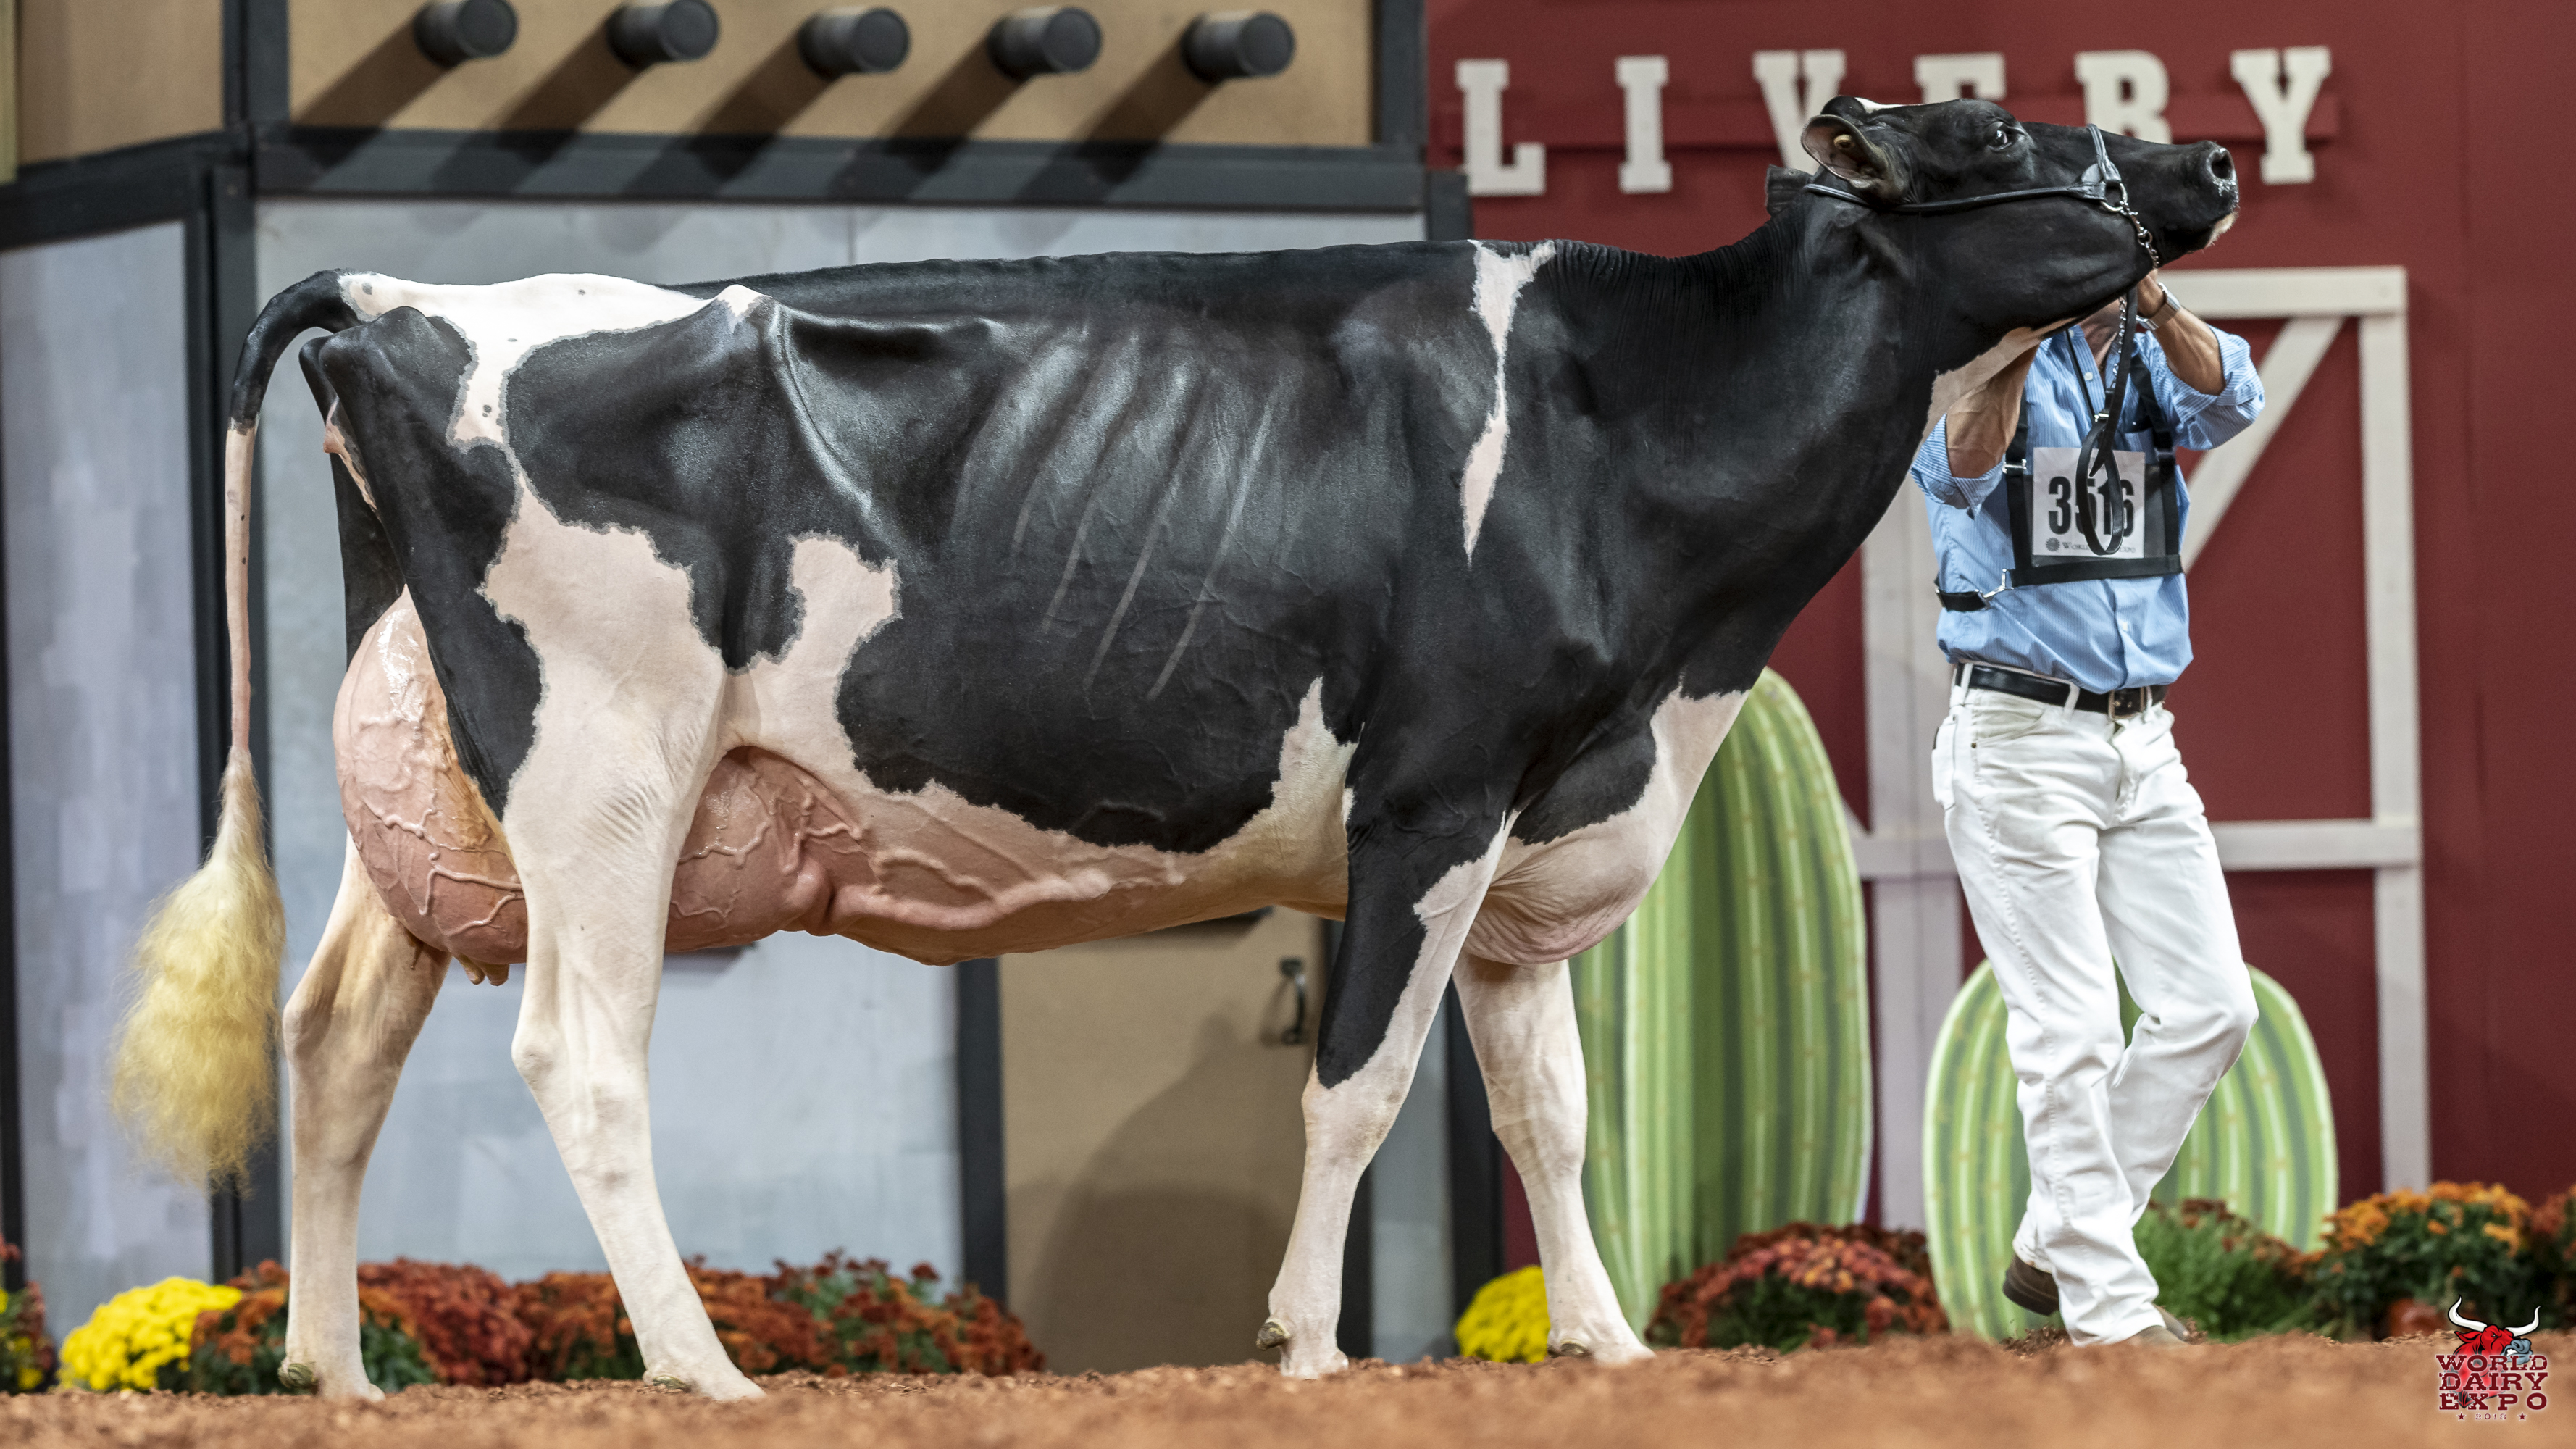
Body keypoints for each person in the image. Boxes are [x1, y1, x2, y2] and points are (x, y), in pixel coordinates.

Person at [1912, 270, 2265, 1348]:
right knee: (2068, 1032)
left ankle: (2053, 1234)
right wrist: (2020, 331)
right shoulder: (1978, 352)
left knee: (2214, 1008)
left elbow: (2233, 398)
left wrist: (2150, 299)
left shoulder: (2149, 352)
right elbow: (1963, 468)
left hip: (2142, 735)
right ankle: (2111, 1316)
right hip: (2019, 736)